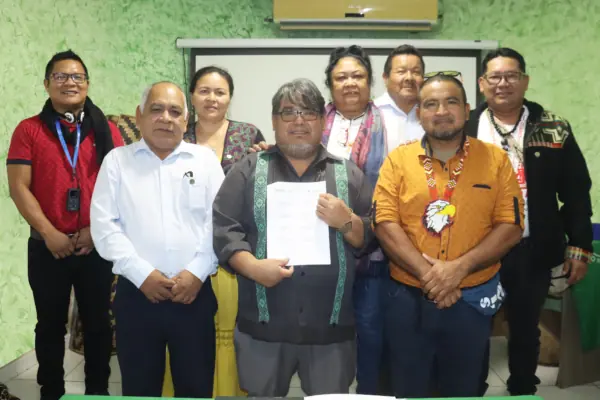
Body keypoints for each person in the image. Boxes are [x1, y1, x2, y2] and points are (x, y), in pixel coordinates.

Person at [212, 78, 374, 396]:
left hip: (331, 329)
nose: (299, 121)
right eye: (288, 113)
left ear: (322, 120)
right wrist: (253, 268)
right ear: (274, 121)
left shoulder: (349, 173)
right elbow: (223, 230)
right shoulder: (246, 171)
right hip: (264, 327)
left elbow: (370, 237)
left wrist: (347, 222)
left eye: (309, 112)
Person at [372, 73, 524, 398]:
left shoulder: (496, 161)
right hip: (408, 297)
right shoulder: (398, 160)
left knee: (463, 388)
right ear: (419, 113)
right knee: (408, 387)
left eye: (451, 101)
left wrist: (458, 269)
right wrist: (434, 276)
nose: (441, 110)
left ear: (466, 109)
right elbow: (384, 222)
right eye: (430, 104)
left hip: (469, 298)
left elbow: (511, 225)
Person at [468, 48, 593, 396]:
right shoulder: (466, 127)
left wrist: (579, 245)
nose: (503, 83)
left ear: (525, 81)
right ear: (482, 83)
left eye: (511, 75)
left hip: (531, 249)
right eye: (495, 76)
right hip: (477, 251)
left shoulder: (553, 127)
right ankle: (472, 389)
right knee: (475, 327)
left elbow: (577, 191)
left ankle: (523, 388)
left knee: (525, 328)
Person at [90, 81, 224, 398]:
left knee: (196, 388)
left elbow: (220, 222)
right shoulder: (116, 162)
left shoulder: (204, 161)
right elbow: (104, 225)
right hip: (137, 296)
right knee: (140, 389)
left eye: (175, 111)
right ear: (139, 116)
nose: (166, 117)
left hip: (194, 294)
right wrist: (142, 275)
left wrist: (196, 273)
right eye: (156, 109)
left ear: (186, 120)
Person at [6, 50, 123, 400]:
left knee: (99, 324)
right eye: (60, 76)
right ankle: (51, 392)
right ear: (46, 84)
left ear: (87, 84)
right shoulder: (29, 129)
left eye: (77, 77)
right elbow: (18, 187)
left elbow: (120, 186)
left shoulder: (107, 130)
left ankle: (97, 392)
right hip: (47, 246)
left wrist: (95, 231)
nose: (69, 82)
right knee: (49, 325)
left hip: (94, 243)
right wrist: (49, 233)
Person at [162, 66, 264, 397]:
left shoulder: (248, 135)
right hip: (182, 252)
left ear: (230, 98)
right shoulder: (174, 134)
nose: (212, 98)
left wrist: (267, 160)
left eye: (220, 92)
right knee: (182, 333)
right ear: (191, 96)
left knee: (228, 332)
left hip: (233, 251)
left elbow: (261, 186)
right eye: (204, 91)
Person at [374, 44, 426, 150]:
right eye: (401, 72)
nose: (409, 78)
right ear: (385, 78)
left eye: (416, 72)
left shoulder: (432, 113)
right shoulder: (371, 112)